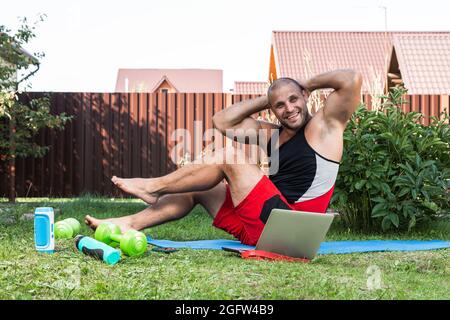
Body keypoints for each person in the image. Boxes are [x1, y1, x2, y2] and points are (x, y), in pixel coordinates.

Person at [85, 69, 362, 246]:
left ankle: (153, 187)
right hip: (266, 225)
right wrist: (269, 97)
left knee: (229, 155)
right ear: (273, 110)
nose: (289, 109)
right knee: (198, 187)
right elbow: (222, 121)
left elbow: (350, 79)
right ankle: (128, 224)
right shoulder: (273, 135)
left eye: (293, 99)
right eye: (280, 105)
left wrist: (304, 83)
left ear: (304, 96)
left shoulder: (325, 127)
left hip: (292, 232)